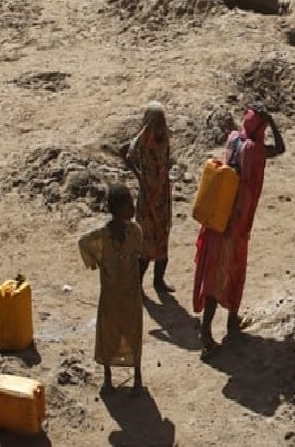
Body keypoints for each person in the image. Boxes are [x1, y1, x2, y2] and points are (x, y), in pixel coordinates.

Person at [193, 103, 285, 358]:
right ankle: (207, 332)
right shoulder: (254, 150)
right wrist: (272, 122)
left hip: (218, 214)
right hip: (235, 222)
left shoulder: (234, 139)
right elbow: (280, 148)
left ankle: (230, 321)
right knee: (225, 274)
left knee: (218, 271)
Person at [78, 183, 143, 395]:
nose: (132, 208)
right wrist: (94, 261)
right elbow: (83, 242)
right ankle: (108, 379)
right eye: (128, 205)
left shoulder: (134, 231)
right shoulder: (103, 237)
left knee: (133, 335)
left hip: (130, 295)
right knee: (109, 336)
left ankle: (137, 378)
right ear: (117, 209)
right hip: (111, 297)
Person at [125, 101, 174, 293]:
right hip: (148, 196)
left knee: (163, 237)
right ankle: (137, 285)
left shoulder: (165, 135)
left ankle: (158, 281)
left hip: (163, 195)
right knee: (146, 242)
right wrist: (139, 175)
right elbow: (128, 153)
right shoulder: (145, 137)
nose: (161, 124)